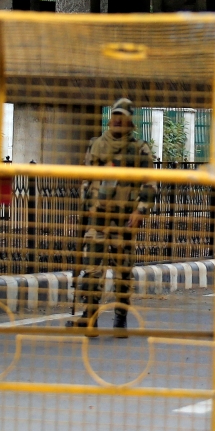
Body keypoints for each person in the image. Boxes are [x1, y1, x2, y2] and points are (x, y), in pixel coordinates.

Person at [67, 98, 157, 334]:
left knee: (122, 272)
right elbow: (87, 177)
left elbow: (150, 184)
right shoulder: (96, 145)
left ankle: (120, 318)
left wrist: (140, 210)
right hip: (98, 219)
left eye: (122, 116)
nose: (118, 120)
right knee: (92, 270)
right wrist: (85, 205)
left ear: (129, 122)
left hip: (124, 221)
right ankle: (91, 317)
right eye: (115, 115)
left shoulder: (139, 149)